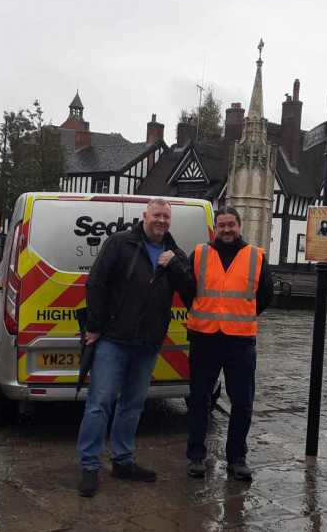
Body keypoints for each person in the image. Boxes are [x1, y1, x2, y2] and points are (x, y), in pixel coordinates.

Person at [76, 198, 193, 497]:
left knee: (132, 404)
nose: (162, 221)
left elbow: (192, 292)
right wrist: (95, 326)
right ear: (145, 216)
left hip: (148, 342)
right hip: (114, 339)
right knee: (99, 402)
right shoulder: (120, 242)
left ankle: (123, 461)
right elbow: (96, 282)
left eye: (166, 216)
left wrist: (175, 265)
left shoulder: (175, 253)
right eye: (157, 215)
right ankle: (90, 465)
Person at [183, 206, 272, 482]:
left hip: (240, 342)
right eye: (221, 225)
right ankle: (196, 456)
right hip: (204, 338)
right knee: (199, 400)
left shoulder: (256, 257)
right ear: (215, 228)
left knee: (242, 403)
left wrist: (239, 315)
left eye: (230, 224)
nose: (226, 230)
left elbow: (266, 295)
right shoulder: (199, 254)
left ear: (239, 225)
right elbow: (187, 290)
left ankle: (237, 458)